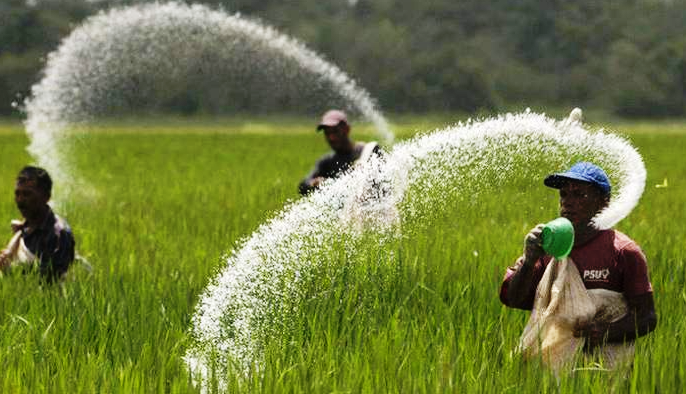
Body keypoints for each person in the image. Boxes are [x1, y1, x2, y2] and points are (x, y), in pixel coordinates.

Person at [499, 162, 656, 364]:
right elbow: (513, 299)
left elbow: (647, 317)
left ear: (604, 203)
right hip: (551, 370)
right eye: (564, 194)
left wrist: (605, 332)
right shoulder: (547, 247)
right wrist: (529, 261)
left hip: (605, 369)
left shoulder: (624, 252)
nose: (568, 202)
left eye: (580, 195)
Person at [0, 166, 75, 283]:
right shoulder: (26, 225)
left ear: (46, 197)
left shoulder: (58, 234)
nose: (20, 200)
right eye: (17, 194)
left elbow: (50, 284)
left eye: (27, 194)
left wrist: (10, 271)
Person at [299, 109, 381, 195]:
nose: (331, 138)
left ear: (347, 130)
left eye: (335, 132)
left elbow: (384, 185)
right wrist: (315, 183)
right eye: (327, 133)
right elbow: (303, 186)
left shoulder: (368, 152)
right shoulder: (327, 161)